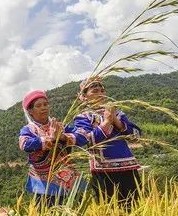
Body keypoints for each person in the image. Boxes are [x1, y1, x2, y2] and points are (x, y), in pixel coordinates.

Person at [74, 77, 142, 208]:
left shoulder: (118, 113)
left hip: (128, 167)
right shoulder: (83, 117)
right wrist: (106, 123)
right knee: (109, 210)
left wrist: (116, 121)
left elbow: (136, 135)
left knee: (134, 206)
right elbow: (85, 140)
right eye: (95, 91)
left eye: (102, 90)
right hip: (104, 171)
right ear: (84, 96)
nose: (100, 93)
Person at [18, 90, 86, 207]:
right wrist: (50, 138)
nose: (43, 108)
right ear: (30, 111)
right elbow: (24, 144)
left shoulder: (60, 126)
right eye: (38, 106)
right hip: (44, 182)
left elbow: (83, 137)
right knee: (48, 213)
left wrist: (63, 136)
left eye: (45, 104)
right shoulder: (29, 129)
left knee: (75, 210)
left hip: (68, 177)